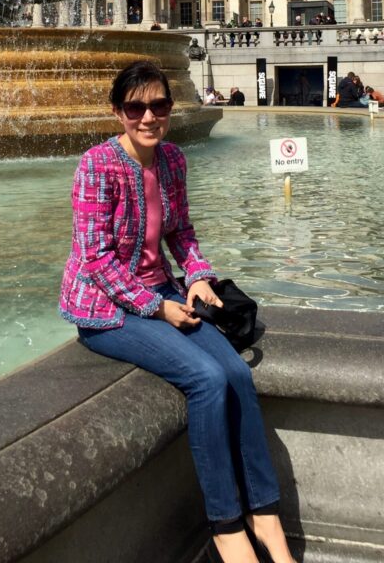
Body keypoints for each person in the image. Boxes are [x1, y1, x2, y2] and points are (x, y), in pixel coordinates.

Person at [59, 61, 296, 563]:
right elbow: (96, 258)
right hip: (105, 308)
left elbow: (181, 234)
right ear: (118, 112)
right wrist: (156, 307)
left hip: (163, 292)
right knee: (206, 380)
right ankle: (227, 526)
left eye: (159, 105)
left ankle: (265, 515)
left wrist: (198, 277)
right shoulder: (96, 165)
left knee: (235, 372)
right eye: (135, 107)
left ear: (169, 109)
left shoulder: (171, 160)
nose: (148, 116)